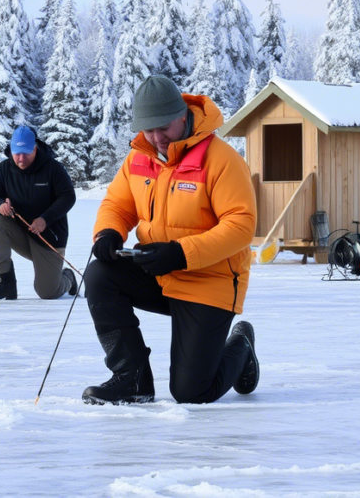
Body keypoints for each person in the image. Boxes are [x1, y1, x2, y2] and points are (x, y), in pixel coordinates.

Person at [82, 75, 259, 405]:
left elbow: (241, 225)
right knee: (99, 275)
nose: (156, 137)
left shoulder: (220, 160)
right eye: (148, 130)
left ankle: (242, 346)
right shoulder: (139, 156)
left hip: (210, 281)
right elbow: (117, 204)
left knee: (192, 393)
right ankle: (131, 377)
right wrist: (109, 232)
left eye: (163, 127)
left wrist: (180, 253)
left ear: (182, 116)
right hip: (158, 271)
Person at [0, 125, 77, 300]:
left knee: (47, 292)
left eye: (26, 152)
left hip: (48, 239)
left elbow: (68, 197)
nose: (20, 158)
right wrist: (0, 206)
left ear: (35, 147)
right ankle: (6, 282)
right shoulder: (4, 169)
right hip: (20, 234)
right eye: (17, 153)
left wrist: (45, 219)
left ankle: (68, 279)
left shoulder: (53, 168)